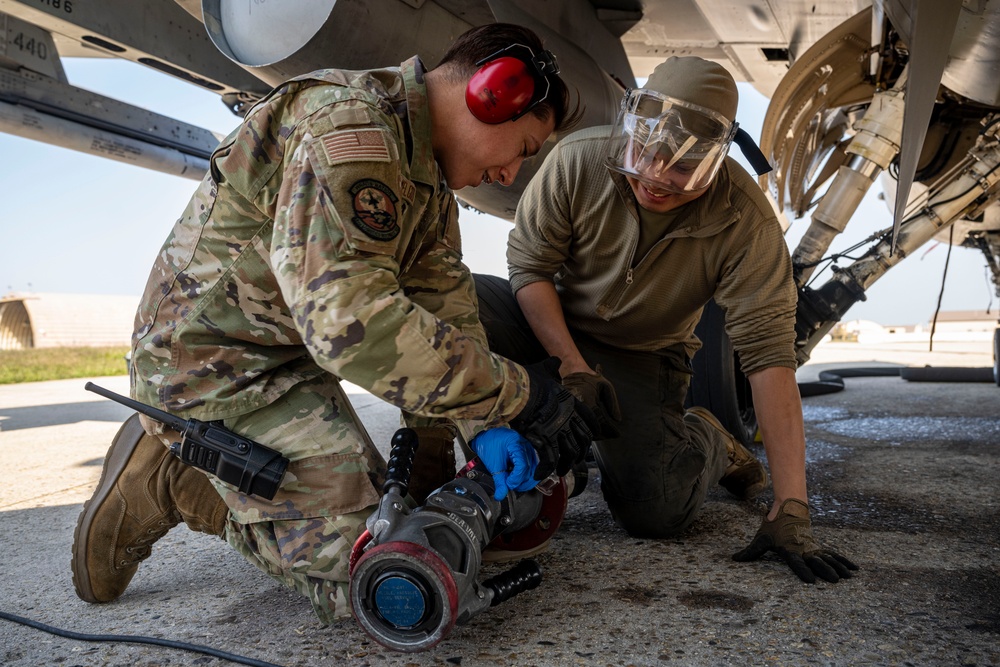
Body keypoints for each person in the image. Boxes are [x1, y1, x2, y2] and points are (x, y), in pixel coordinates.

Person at [71, 23, 596, 625]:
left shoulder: (426, 184)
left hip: (283, 360)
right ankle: (178, 479)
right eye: (523, 150)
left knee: (415, 540)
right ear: (492, 94)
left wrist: (479, 431)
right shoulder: (350, 128)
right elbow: (350, 322)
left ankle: (243, 473)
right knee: (381, 574)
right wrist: (521, 394)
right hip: (207, 370)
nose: (510, 176)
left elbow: (443, 315)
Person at [473, 56, 858, 584]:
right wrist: (571, 367)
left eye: (682, 168)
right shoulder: (578, 161)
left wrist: (791, 507)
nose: (655, 176)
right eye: (645, 152)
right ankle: (432, 473)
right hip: (545, 324)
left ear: (718, 159)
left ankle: (709, 439)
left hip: (643, 352)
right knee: (448, 306)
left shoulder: (744, 220)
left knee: (656, 514)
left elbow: (770, 358)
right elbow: (530, 267)